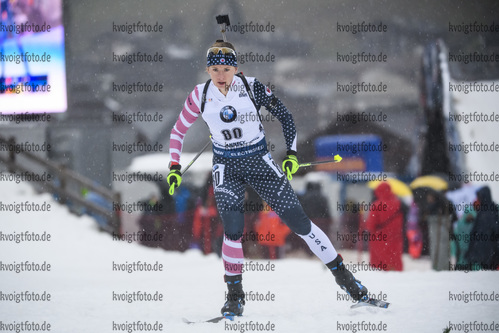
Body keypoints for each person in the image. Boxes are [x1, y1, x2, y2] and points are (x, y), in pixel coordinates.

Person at [166, 39, 370, 317]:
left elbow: (286, 117)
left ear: (235, 68)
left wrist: (292, 154)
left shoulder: (251, 87)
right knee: (233, 229)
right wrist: (175, 167)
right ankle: (234, 298)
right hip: (226, 167)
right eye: (214, 69)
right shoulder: (199, 95)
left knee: (300, 223)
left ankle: (349, 282)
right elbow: (177, 132)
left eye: (226, 68)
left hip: (259, 162)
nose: (221, 75)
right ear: (208, 70)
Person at [366, 182, 404, 271]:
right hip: (395, 237)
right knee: (394, 257)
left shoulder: (377, 205)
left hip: (379, 238)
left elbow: (371, 225)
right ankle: (395, 269)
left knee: (381, 262)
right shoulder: (398, 203)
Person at [466, 186, 499, 270]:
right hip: (484, 252)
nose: (478, 199)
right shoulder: (484, 211)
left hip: (489, 251)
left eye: (479, 197)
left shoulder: (490, 211)